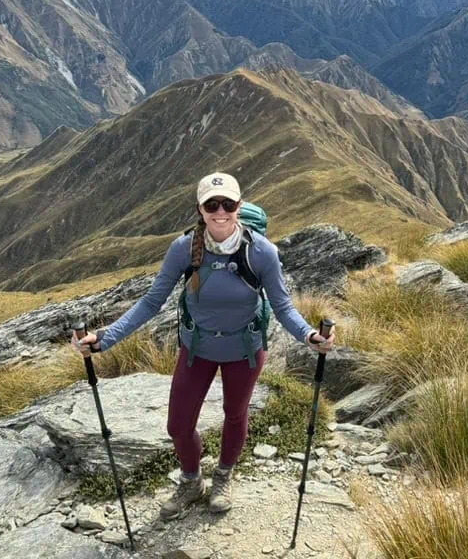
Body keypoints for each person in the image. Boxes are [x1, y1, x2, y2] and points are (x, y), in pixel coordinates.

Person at [72, 171, 335, 519]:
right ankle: (192, 481)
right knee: (178, 426)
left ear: (239, 206)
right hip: (197, 350)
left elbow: (283, 306)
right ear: (200, 208)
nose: (220, 211)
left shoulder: (262, 252)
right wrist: (105, 338)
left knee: (235, 415)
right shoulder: (183, 249)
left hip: (245, 350)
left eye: (228, 203)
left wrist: (310, 337)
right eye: (212, 204)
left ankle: (223, 477)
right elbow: (151, 302)